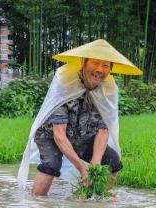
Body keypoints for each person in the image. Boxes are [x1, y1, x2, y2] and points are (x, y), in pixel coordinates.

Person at [17, 39, 142, 195]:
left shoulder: (108, 91)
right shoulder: (65, 84)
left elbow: (103, 131)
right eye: (95, 63)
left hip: (83, 136)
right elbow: (59, 134)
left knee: (113, 162)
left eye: (105, 66)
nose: (99, 70)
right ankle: (36, 204)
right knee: (51, 165)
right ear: (84, 62)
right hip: (51, 134)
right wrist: (82, 167)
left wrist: (95, 165)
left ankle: (95, 199)